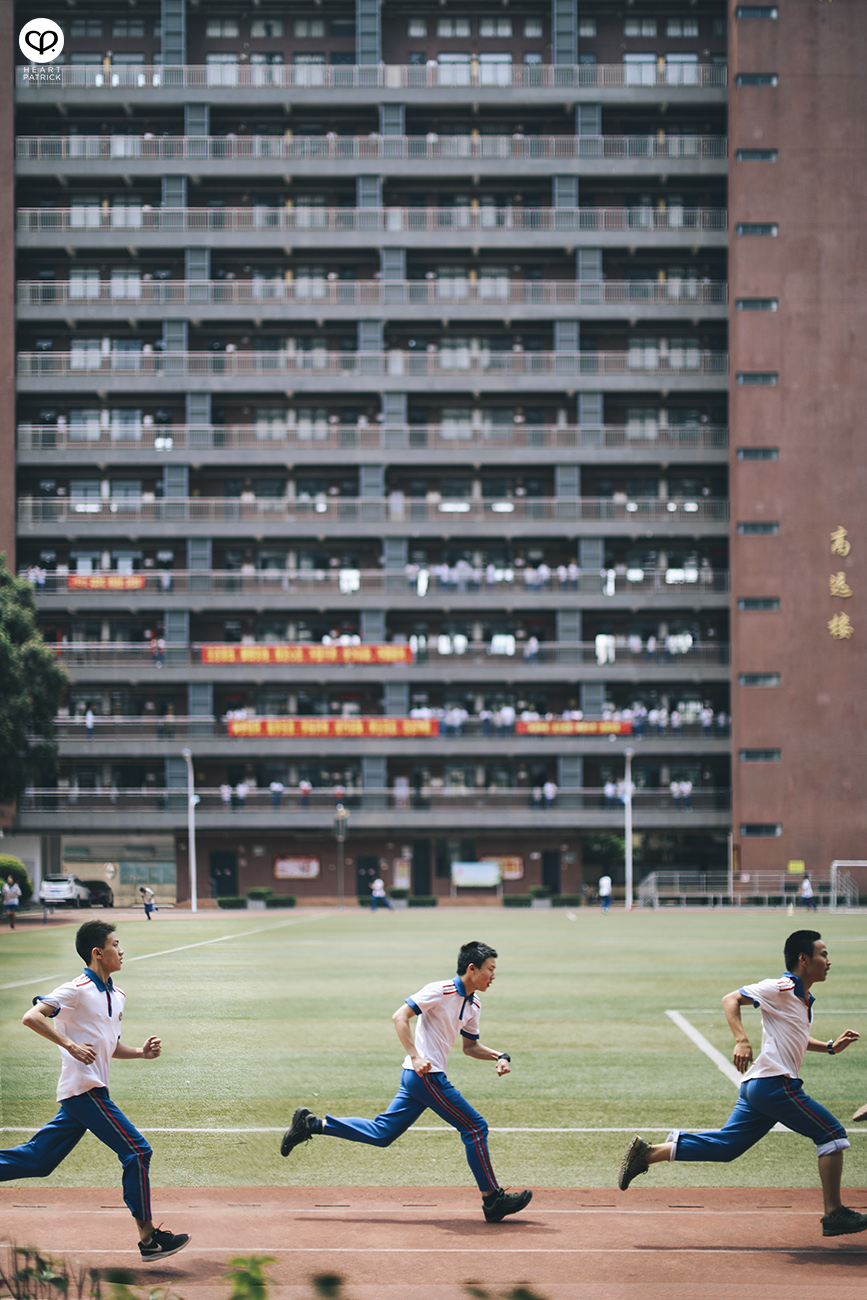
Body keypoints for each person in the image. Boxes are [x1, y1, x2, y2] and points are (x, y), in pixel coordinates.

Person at [617, 930, 867, 1238]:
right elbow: (731, 998)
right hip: (775, 1084)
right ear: (804, 959)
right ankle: (834, 1213)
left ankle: (648, 1153)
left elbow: (795, 1039)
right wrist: (741, 1039)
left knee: (727, 1147)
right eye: (823, 954)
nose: (829, 961)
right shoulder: (781, 986)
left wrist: (829, 1047)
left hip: (759, 1087)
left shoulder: (801, 998)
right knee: (831, 1135)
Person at [279, 940, 532, 1224]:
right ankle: (492, 1199)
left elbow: (470, 1047)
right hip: (425, 1076)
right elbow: (400, 1017)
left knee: (382, 1133)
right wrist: (414, 1056)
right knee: (475, 1128)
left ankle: (311, 1125)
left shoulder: (474, 1003)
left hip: (419, 1078)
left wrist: (500, 1055)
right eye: (490, 970)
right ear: (472, 969)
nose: (494, 976)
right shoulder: (440, 990)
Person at [0, 920, 190, 1259]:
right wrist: (69, 1044)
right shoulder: (74, 990)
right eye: (116, 944)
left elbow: (109, 1044)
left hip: (87, 1092)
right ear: (97, 952)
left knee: (39, 1160)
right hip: (85, 1090)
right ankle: (149, 1240)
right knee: (137, 1151)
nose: (122, 950)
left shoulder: (118, 996)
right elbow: (32, 1017)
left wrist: (140, 1053)